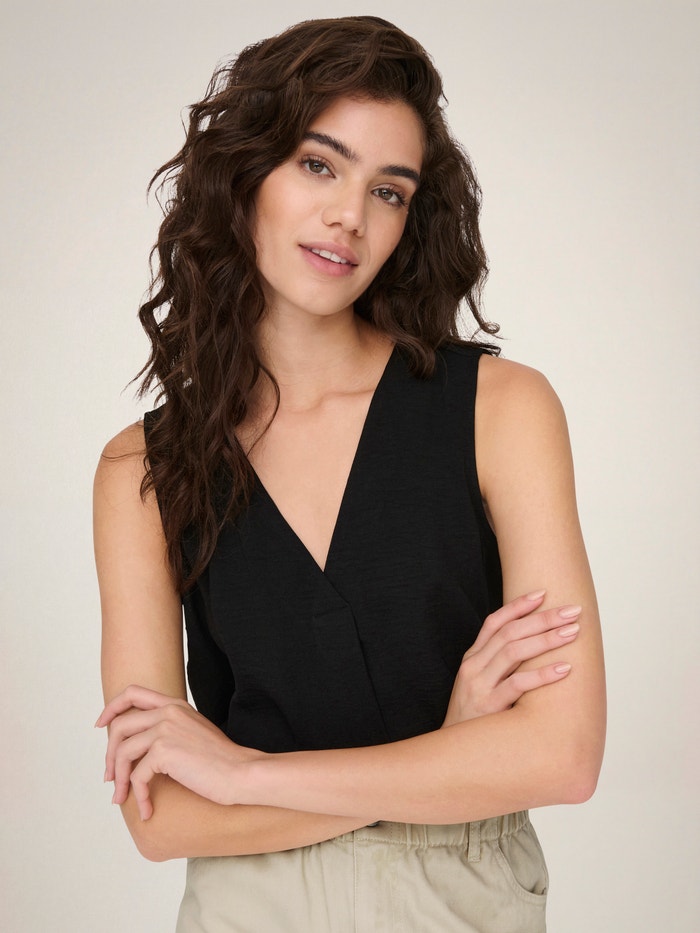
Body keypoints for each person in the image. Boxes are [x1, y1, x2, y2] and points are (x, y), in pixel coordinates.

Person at [94, 15, 605, 932]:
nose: (350, 218)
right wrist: (451, 753)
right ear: (245, 173)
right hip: (249, 907)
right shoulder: (143, 468)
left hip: (460, 901)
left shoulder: (501, 409)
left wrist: (245, 775)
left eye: (389, 190)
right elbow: (161, 816)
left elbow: (562, 756)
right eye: (318, 165)